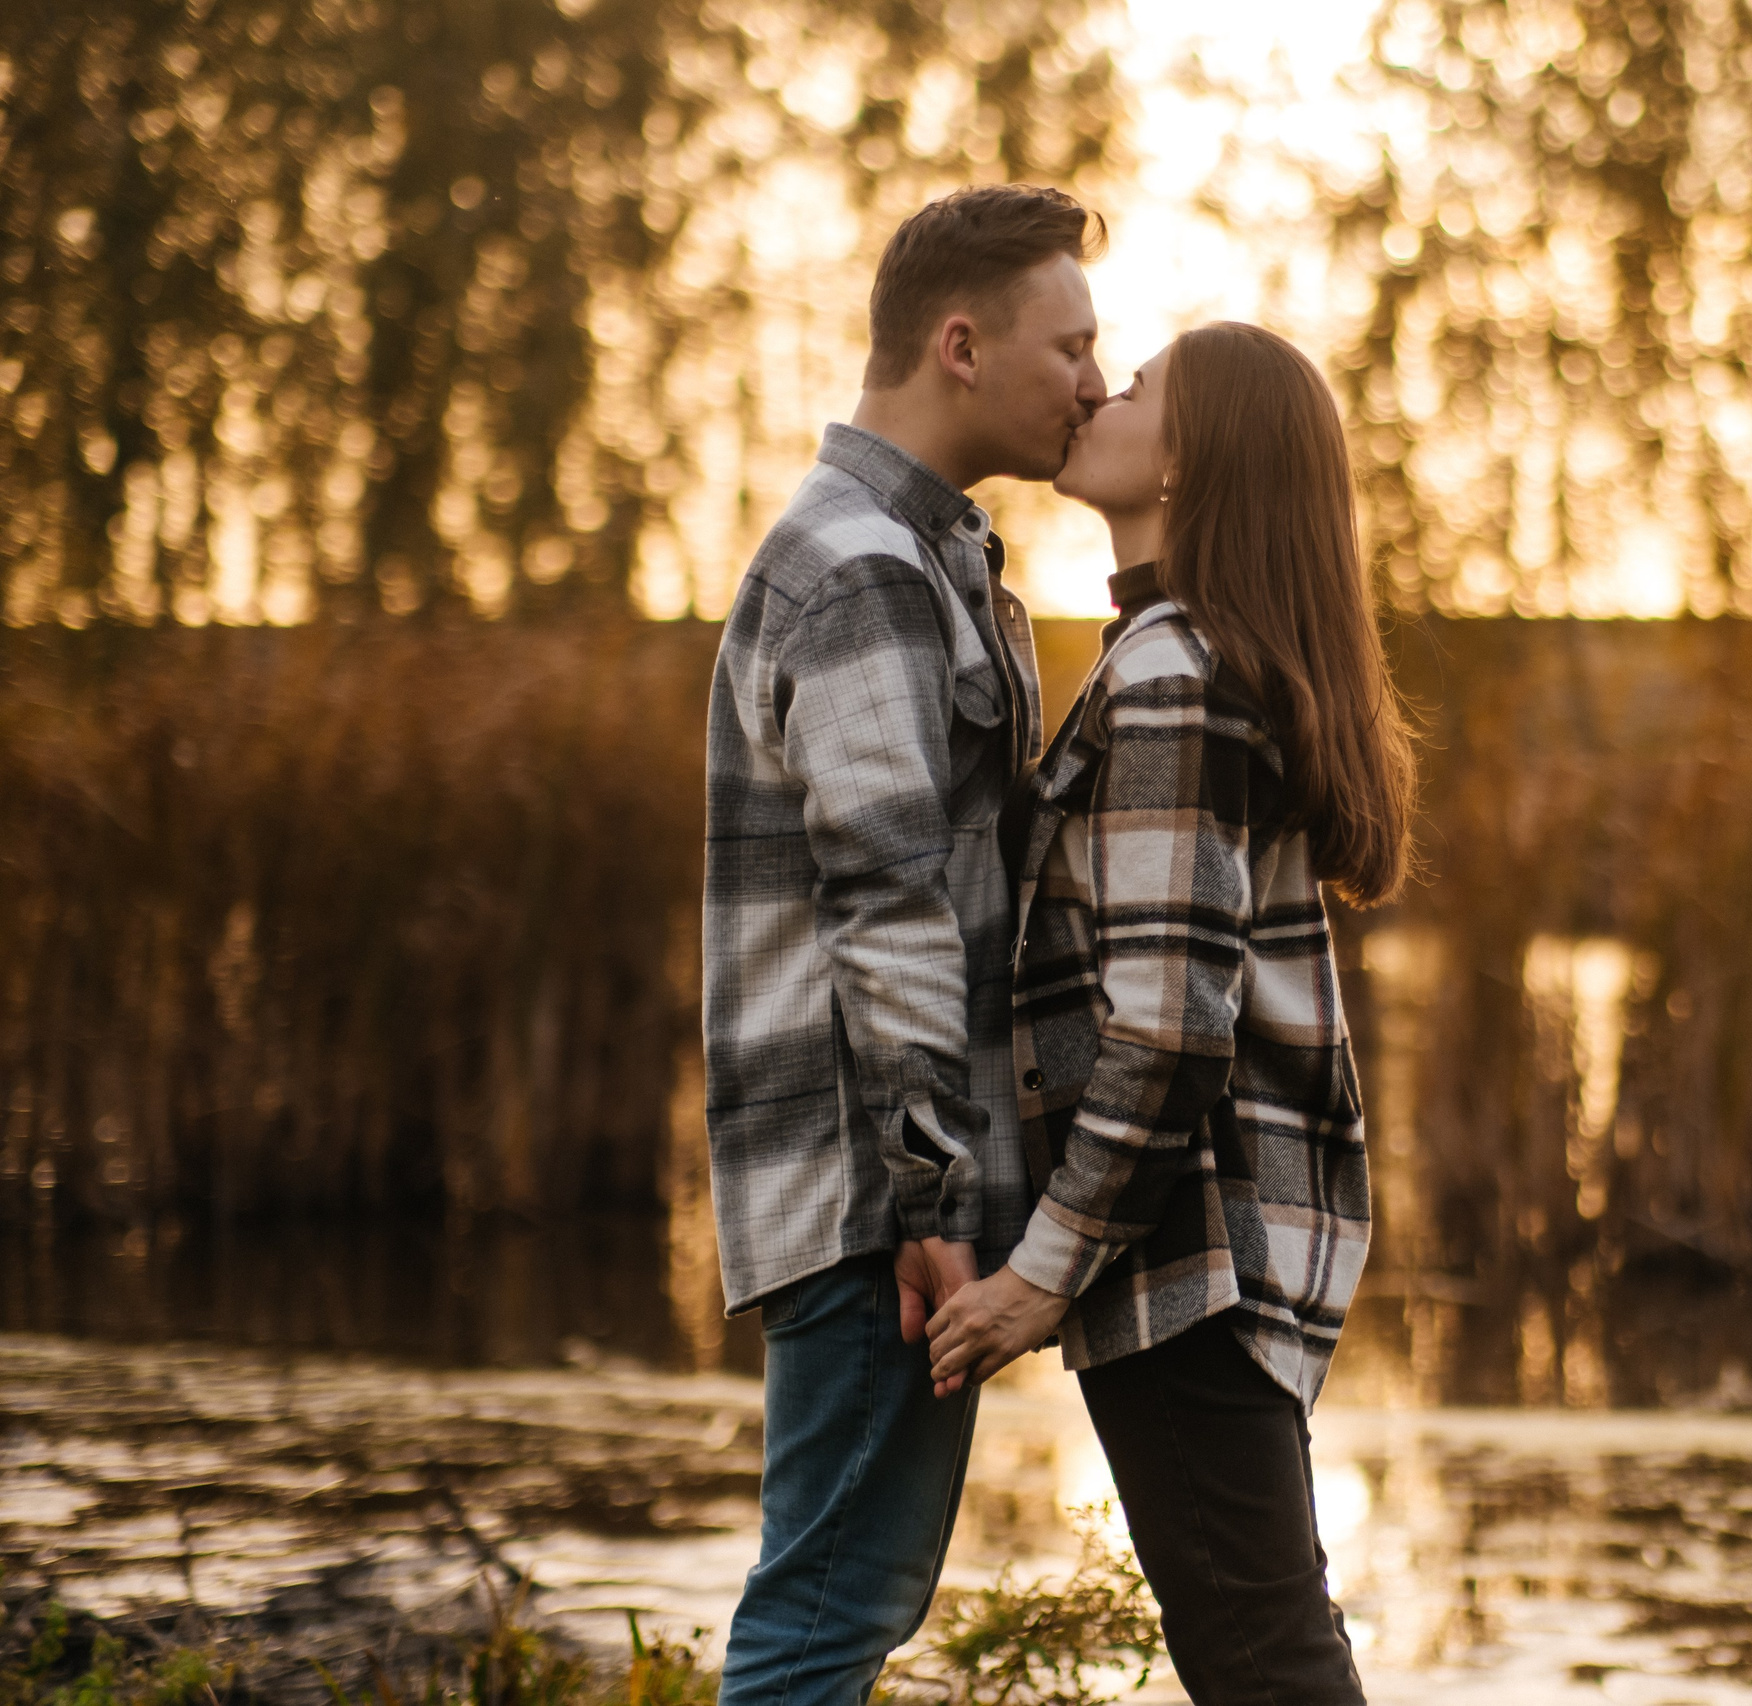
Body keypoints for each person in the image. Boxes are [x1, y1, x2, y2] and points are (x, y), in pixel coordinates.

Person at [926, 322, 1417, 1706]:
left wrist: (1040, 1273)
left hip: (1193, 1256)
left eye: (1135, 386)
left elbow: (1169, 1035)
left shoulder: (1172, 678)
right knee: (1267, 1653)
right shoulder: (1177, 657)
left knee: (1266, 1665)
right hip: (1209, 1248)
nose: (1098, 390)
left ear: (1187, 460)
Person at [700, 183, 1107, 1706]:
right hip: (876, 1203)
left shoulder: (923, 554)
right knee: (825, 1618)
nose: (1093, 381)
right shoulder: (865, 565)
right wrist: (935, 1199)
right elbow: (888, 905)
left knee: (841, 1608)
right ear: (961, 346)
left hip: (876, 1184)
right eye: (1071, 346)